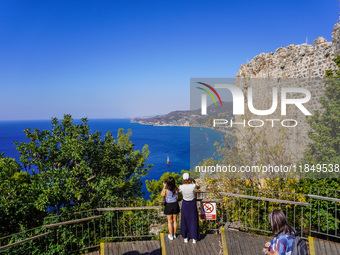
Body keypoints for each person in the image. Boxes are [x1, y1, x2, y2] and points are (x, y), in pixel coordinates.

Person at [178, 172, 200, 244]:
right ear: (189, 179)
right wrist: (194, 180)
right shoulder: (193, 186)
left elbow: (177, 191)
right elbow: (198, 186)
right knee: (193, 220)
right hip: (192, 204)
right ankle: (194, 238)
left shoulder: (181, 187)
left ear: (183, 179)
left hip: (185, 204)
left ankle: (185, 237)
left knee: (185, 220)